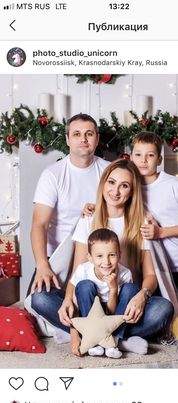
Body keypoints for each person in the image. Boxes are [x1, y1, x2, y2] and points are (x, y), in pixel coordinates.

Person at [58, 159, 174, 356]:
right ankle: (118, 341)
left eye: (124, 185)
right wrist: (68, 305)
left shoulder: (142, 222)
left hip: (124, 301)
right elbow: (77, 274)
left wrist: (142, 296)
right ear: (103, 184)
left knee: (163, 308)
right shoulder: (89, 219)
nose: (116, 191)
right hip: (90, 300)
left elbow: (150, 275)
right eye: (111, 182)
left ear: (132, 191)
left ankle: (108, 339)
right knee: (41, 300)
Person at [29, 113, 109, 295]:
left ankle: (83, 319)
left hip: (95, 256)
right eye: (77, 134)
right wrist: (42, 265)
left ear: (97, 139)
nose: (83, 139)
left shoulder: (109, 171)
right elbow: (39, 224)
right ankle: (72, 323)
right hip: (57, 255)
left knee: (89, 302)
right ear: (67, 139)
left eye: (89, 134)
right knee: (38, 300)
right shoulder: (52, 174)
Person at [130, 131, 178, 314]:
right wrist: (93, 206)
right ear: (131, 156)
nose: (143, 160)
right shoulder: (130, 187)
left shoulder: (174, 185)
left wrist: (161, 233)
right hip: (157, 265)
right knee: (169, 314)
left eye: (150, 155)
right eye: (138, 155)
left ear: (159, 159)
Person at [70, 227, 136, 359]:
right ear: (90, 257)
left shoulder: (125, 274)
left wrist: (113, 289)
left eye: (112, 255)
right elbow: (75, 304)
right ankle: (94, 340)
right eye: (99, 256)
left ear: (119, 255)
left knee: (131, 289)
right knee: (84, 285)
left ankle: (113, 342)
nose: (106, 262)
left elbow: (112, 315)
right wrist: (74, 332)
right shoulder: (83, 270)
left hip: (114, 314)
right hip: (89, 314)